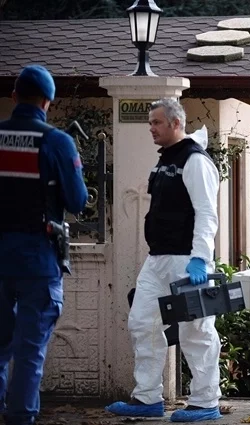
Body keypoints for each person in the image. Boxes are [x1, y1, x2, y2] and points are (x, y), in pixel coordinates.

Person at [105, 99, 222, 422]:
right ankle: (147, 398)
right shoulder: (164, 160)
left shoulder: (195, 160)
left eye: (156, 122)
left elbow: (207, 213)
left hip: (187, 261)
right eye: (150, 123)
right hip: (157, 260)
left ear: (175, 123)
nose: (151, 128)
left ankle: (206, 402)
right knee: (142, 322)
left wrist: (201, 259)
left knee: (196, 331)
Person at [0, 65, 88, 425]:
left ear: (14, 96)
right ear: (48, 102)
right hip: (37, 259)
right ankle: (20, 418)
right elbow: (78, 200)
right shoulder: (56, 141)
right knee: (29, 350)